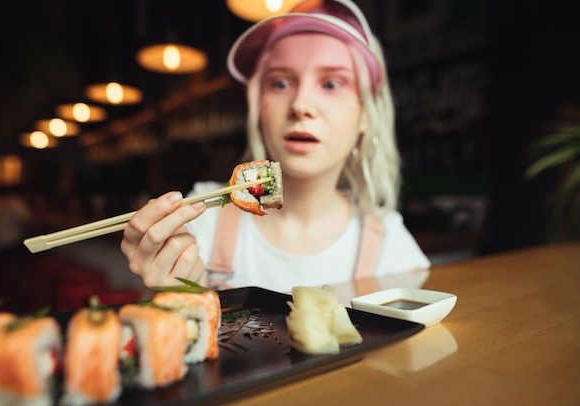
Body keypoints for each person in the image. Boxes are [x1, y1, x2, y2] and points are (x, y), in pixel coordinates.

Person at [120, 0, 430, 293]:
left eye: (331, 84)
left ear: (365, 114)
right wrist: (175, 291)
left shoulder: (390, 246)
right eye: (280, 83)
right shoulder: (202, 220)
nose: (301, 105)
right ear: (259, 106)